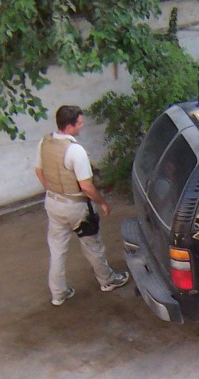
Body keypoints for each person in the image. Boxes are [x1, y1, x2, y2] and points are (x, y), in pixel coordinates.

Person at [34, 105, 128, 306]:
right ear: (69, 126)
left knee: (57, 250)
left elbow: (39, 171)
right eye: (79, 122)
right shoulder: (75, 150)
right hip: (75, 206)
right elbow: (86, 185)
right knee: (92, 245)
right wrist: (101, 202)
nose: (82, 125)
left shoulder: (45, 142)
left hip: (52, 203)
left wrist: (52, 190)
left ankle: (58, 294)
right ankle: (107, 280)